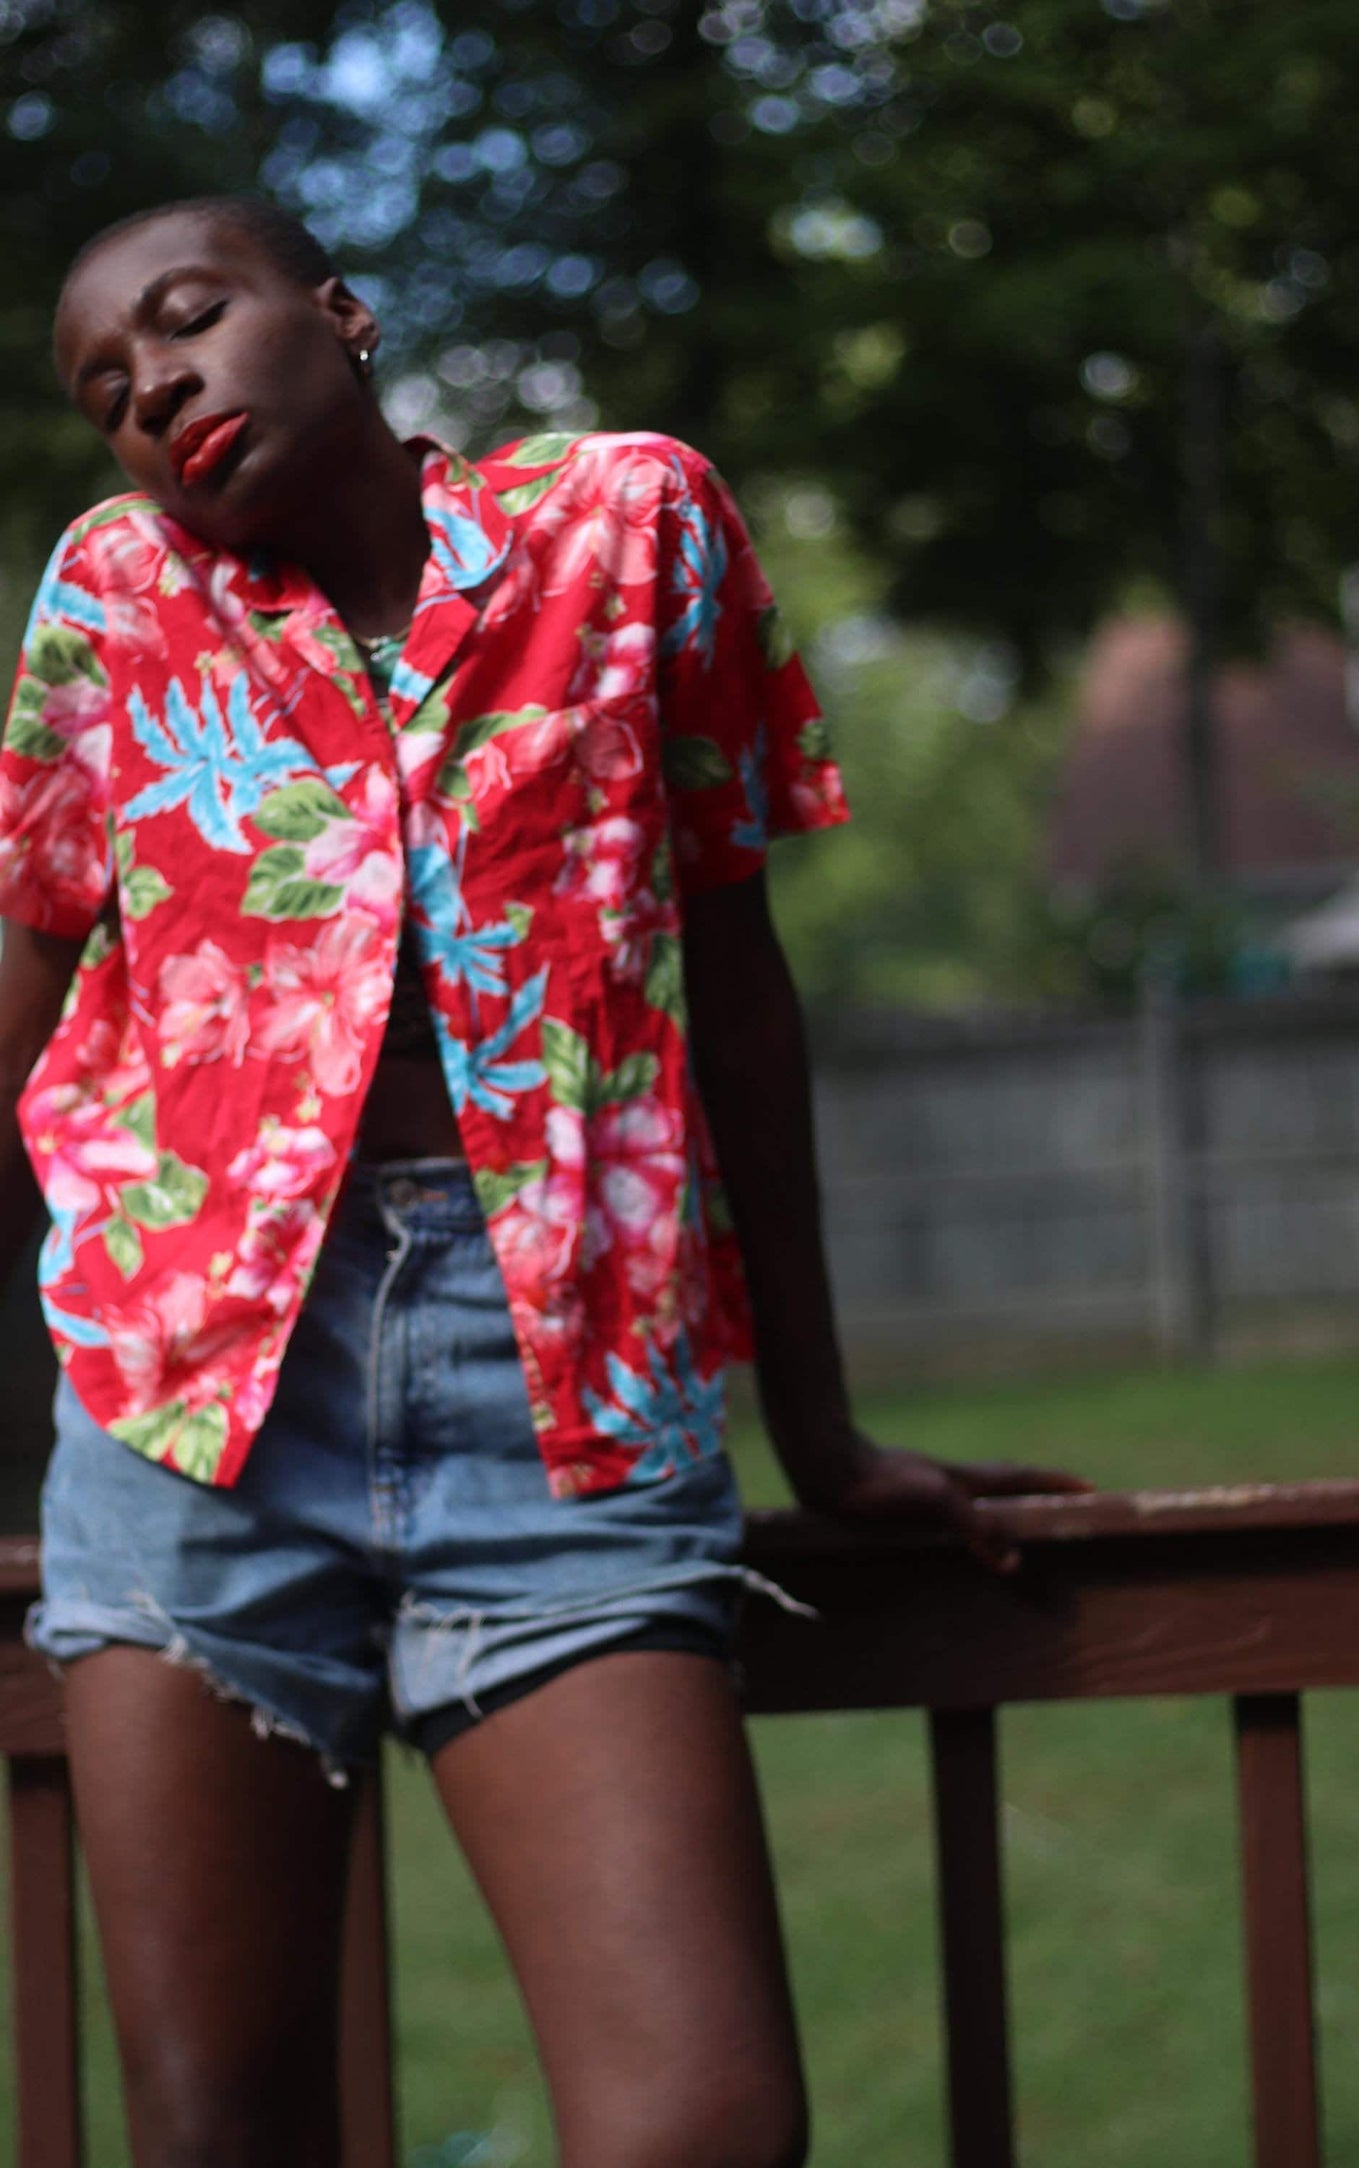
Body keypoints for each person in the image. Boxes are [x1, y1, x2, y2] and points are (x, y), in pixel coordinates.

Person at [0, 195, 1089, 2168]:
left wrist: (821, 1430)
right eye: (107, 389)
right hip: (195, 1416)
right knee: (219, 2128)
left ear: (338, 310)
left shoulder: (628, 523)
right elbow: (24, 992)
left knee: (703, 2121)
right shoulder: (114, 597)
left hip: (566, 1399)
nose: (154, 388)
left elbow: (738, 983)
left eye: (185, 321)